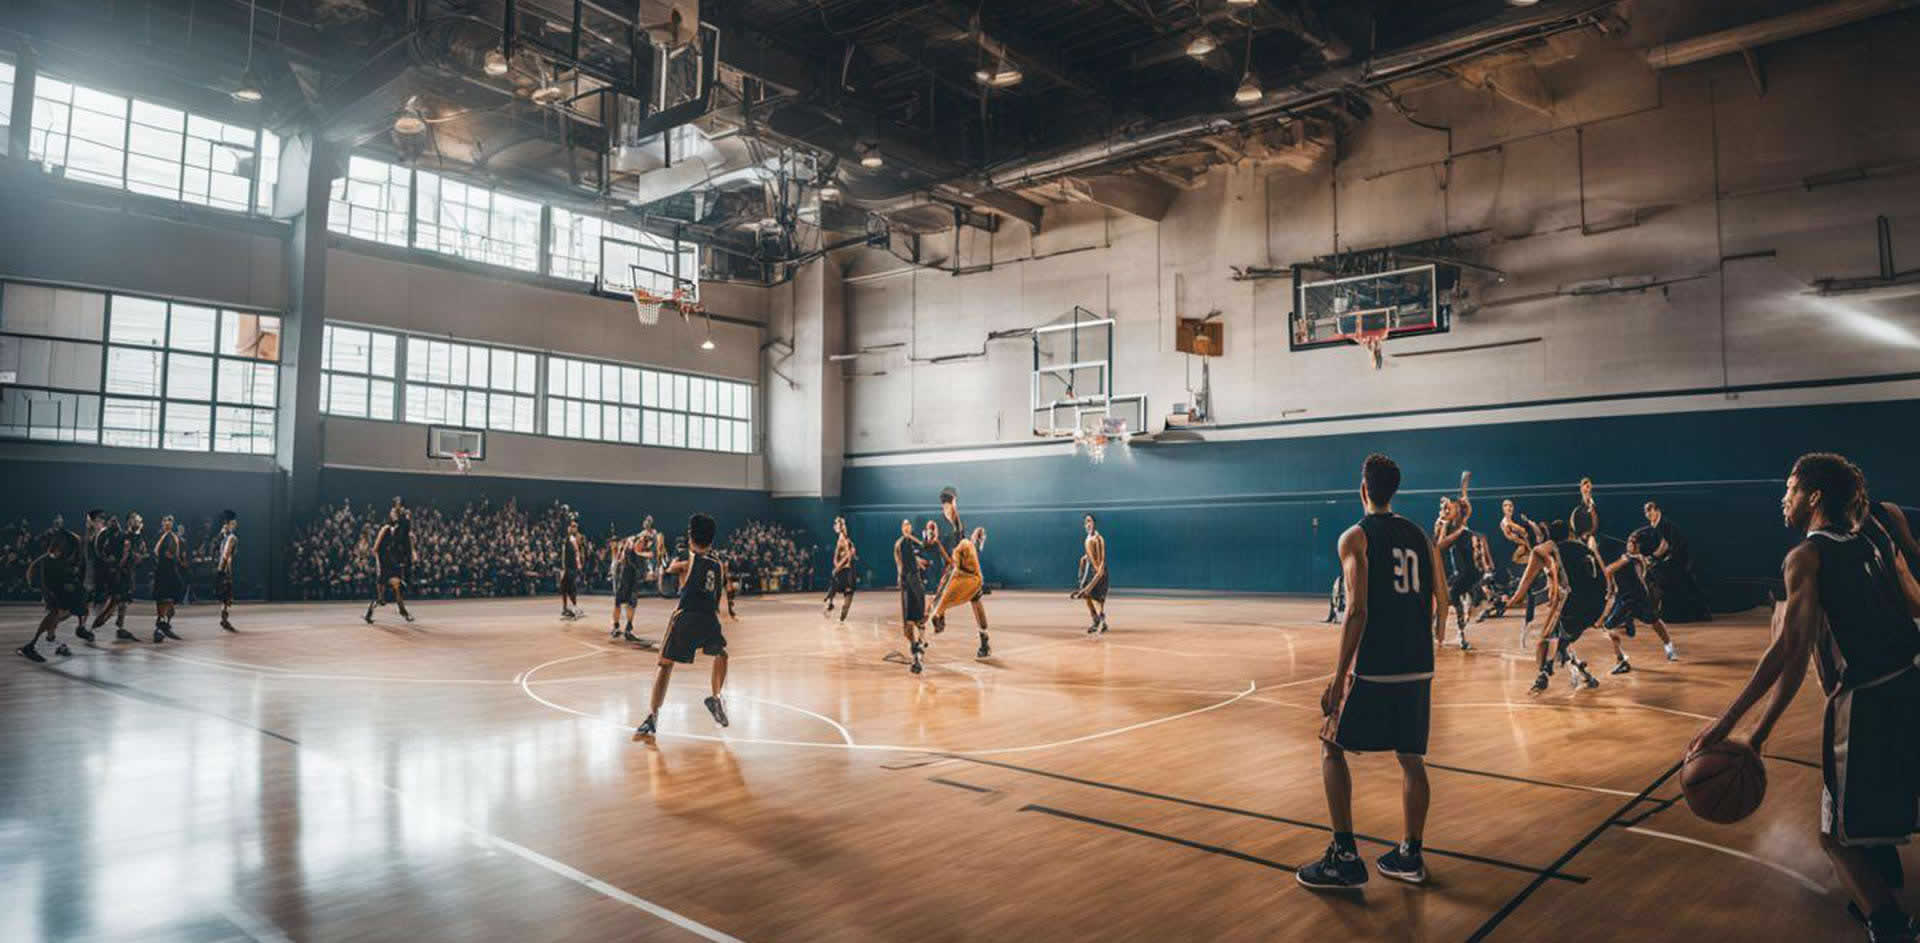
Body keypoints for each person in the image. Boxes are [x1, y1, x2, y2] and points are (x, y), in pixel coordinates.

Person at [1691, 453, 1920, 943]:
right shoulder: (1874, 533)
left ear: (1814, 497)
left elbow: (1790, 652)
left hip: (1865, 704)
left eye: (1791, 489)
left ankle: (1891, 926)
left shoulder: (1806, 557)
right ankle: (1887, 882)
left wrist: (1738, 728)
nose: (1784, 498)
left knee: (1834, 838)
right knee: (1877, 804)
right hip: (1909, 684)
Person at [1297, 454, 1447, 890]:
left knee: (1331, 744)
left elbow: (1357, 610)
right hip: (1419, 667)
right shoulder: (1421, 535)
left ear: (1363, 489)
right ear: (1392, 491)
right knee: (1411, 759)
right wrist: (1430, 636)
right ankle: (1410, 856)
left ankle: (1344, 856)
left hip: (1375, 667)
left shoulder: (1355, 539)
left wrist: (1338, 676)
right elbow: (1443, 598)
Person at [633, 514, 732, 739]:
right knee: (721, 655)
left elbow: (664, 582)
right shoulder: (718, 565)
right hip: (710, 618)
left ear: (690, 536)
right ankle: (716, 697)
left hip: (686, 617)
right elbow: (718, 595)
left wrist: (662, 563)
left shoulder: (685, 562)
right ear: (712, 540)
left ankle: (652, 716)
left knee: (664, 663)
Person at [1509, 519, 1604, 693]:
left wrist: (1509, 601)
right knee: (1562, 639)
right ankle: (1584, 673)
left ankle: (1544, 674)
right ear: (1569, 534)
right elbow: (1602, 575)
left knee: (1549, 638)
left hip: (1576, 601)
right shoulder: (1582, 548)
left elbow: (1526, 585)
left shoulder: (1549, 551)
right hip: (1596, 604)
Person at [1600, 530, 1678, 673]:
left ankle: (1669, 647)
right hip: (1624, 599)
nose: (1630, 543)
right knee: (1609, 627)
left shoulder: (1632, 559)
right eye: (1629, 540)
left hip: (1637, 599)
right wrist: (1611, 589)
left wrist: (1628, 561)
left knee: (1655, 622)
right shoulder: (1629, 557)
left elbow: (1608, 571)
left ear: (1638, 545)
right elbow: (1612, 575)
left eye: (1634, 541)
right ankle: (1621, 658)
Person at [18, 525, 85, 662]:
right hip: (48, 583)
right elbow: (41, 569)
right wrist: (43, 589)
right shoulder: (56, 554)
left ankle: (51, 640)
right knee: (55, 612)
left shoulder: (72, 551)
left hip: (55, 583)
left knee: (62, 612)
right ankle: (31, 646)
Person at [366, 504, 415, 624]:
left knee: (397, 587)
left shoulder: (398, 532)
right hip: (383, 565)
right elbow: (375, 549)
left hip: (391, 564)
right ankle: (369, 614)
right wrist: (378, 566)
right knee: (380, 598)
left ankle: (404, 612)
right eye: (393, 513)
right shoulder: (385, 529)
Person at [894, 518, 930, 674]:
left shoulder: (914, 544)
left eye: (909, 525)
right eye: (905, 525)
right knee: (908, 624)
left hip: (916, 582)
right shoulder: (900, 544)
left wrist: (919, 561)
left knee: (920, 618)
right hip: (908, 583)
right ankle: (916, 648)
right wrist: (900, 578)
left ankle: (920, 646)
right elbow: (900, 563)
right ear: (902, 528)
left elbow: (922, 547)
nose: (907, 527)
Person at [610, 535, 652, 644]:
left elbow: (650, 555)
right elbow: (625, 550)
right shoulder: (629, 550)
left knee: (631, 605)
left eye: (644, 543)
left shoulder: (643, 555)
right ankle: (616, 626)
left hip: (634, 583)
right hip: (623, 581)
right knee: (617, 604)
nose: (641, 543)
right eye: (641, 541)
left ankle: (628, 628)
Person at [1073, 513, 1110, 635]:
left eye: (1090, 521)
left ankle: (1102, 623)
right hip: (1090, 571)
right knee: (1087, 597)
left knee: (1099, 599)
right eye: (1086, 522)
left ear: (1094, 523)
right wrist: (1083, 559)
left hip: (1100, 572)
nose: (1088, 524)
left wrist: (1099, 573)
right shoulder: (1087, 539)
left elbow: (1102, 559)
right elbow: (1089, 554)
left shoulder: (1099, 539)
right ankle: (1096, 620)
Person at [151, 515, 186, 637]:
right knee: (162, 599)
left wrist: (177, 559)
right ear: (162, 523)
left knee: (171, 599)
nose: (167, 523)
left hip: (171, 571)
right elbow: (154, 553)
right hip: (161, 571)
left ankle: (164, 624)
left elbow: (180, 556)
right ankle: (160, 627)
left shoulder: (175, 538)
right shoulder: (158, 537)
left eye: (170, 521)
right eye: (165, 520)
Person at [824, 516, 856, 622]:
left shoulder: (843, 539)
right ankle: (831, 603)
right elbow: (837, 555)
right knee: (837, 586)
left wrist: (838, 567)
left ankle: (837, 609)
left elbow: (848, 555)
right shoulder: (842, 538)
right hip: (844, 569)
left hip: (846, 570)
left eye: (836, 524)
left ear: (840, 526)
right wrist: (836, 564)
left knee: (847, 591)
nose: (834, 526)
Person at [214, 510, 239, 632]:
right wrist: (221, 570)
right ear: (228, 524)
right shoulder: (232, 538)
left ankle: (224, 619)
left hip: (221, 568)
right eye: (233, 523)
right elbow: (225, 554)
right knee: (227, 596)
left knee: (225, 598)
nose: (235, 525)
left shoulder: (223, 537)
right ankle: (224, 620)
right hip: (225, 569)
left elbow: (215, 547)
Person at [559, 518, 585, 620]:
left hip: (571, 568)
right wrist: (562, 568)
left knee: (571, 589)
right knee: (563, 589)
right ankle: (565, 608)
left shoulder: (575, 539)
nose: (573, 528)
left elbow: (577, 553)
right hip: (566, 567)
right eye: (572, 526)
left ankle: (574, 608)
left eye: (575, 527)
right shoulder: (566, 539)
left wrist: (578, 565)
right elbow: (563, 555)